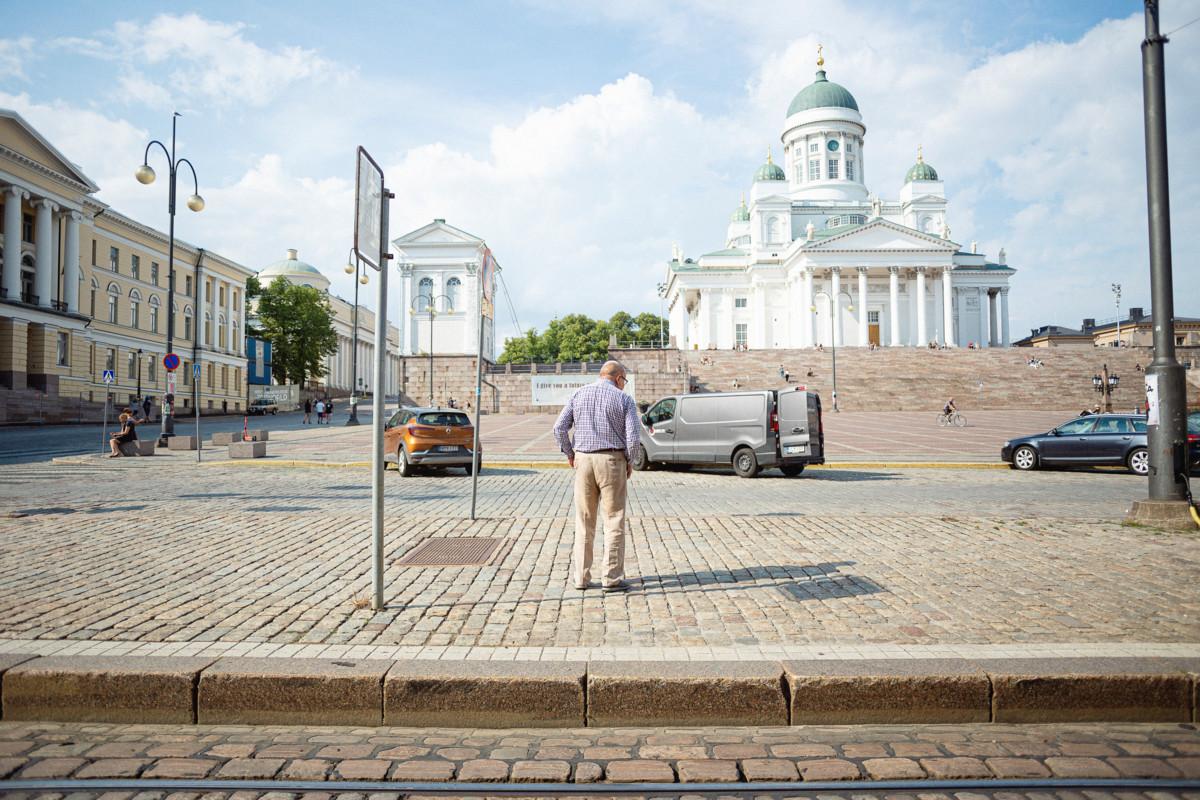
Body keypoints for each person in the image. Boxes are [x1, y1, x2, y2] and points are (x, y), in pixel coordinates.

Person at [552, 360, 640, 593]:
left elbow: (559, 428)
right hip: (612, 461)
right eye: (624, 381)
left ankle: (581, 578)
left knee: (584, 520)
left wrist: (570, 454)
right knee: (613, 520)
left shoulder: (579, 394)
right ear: (619, 378)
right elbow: (632, 439)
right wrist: (629, 461)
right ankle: (610, 578)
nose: (624, 385)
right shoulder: (624, 400)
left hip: (583, 460)